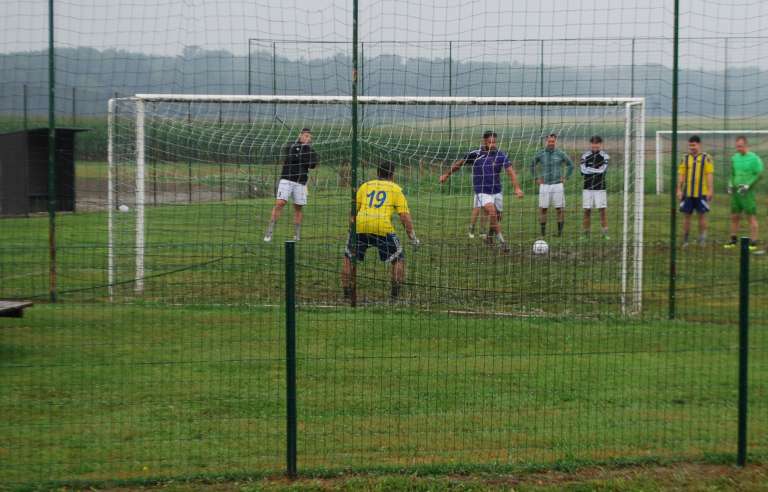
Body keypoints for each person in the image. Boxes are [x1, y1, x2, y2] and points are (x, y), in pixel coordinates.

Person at [342, 160, 419, 301]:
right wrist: (412, 237)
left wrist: (350, 230)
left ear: (377, 173)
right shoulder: (395, 189)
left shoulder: (365, 186)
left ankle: (347, 293)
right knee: (398, 258)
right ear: (393, 174)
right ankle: (394, 296)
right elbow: (404, 217)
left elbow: (353, 211)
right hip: (382, 227)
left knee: (349, 258)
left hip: (360, 225)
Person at [439, 130, 524, 251]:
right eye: (490, 142)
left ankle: (489, 237)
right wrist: (446, 175)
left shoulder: (500, 155)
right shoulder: (476, 154)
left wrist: (517, 188)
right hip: (482, 191)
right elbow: (459, 164)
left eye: (494, 142)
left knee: (497, 217)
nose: (492, 144)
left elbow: (510, 171)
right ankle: (502, 242)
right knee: (492, 212)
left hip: (497, 190)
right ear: (484, 141)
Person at [263, 128, 319, 242]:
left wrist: (303, 157)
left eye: (309, 137)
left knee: (298, 207)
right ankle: (269, 232)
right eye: (306, 136)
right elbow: (293, 157)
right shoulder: (291, 146)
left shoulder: (310, 150)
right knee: (280, 203)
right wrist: (304, 158)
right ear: (300, 135)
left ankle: (297, 235)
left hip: (301, 182)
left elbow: (312, 164)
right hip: (287, 179)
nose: (307, 138)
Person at [724, 135, 764, 252]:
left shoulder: (754, 159)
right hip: (736, 193)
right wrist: (730, 184)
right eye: (737, 146)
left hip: (747, 193)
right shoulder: (734, 158)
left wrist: (748, 185)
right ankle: (733, 240)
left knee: (750, 217)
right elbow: (732, 173)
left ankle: (753, 241)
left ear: (746, 145)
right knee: (734, 216)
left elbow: (759, 174)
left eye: (740, 146)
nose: (738, 148)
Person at [532, 133, 574, 237]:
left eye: (553, 141)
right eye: (549, 141)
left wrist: (565, 177)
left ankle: (559, 233)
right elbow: (532, 165)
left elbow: (570, 165)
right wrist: (536, 178)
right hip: (544, 185)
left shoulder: (560, 153)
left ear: (555, 141)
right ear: (546, 141)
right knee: (543, 209)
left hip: (557, 185)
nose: (551, 143)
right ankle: (543, 233)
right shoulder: (540, 153)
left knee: (559, 209)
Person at [676, 135, 714, 247]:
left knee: (702, 216)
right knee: (686, 216)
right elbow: (681, 175)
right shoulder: (685, 158)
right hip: (687, 193)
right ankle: (686, 240)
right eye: (690, 145)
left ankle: (702, 238)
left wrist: (710, 190)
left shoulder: (706, 158)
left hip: (701, 193)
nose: (692, 147)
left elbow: (709, 174)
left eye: (694, 145)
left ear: (699, 145)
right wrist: (679, 189)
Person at [580, 135, 610, 239]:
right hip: (587, 187)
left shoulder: (605, 156)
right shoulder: (584, 156)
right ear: (590, 144)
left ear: (600, 144)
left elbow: (603, 170)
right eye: (593, 143)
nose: (595, 145)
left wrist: (590, 169)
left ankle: (605, 234)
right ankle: (585, 234)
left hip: (600, 188)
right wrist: (595, 169)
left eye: (597, 143)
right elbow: (583, 170)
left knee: (602, 210)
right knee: (587, 210)